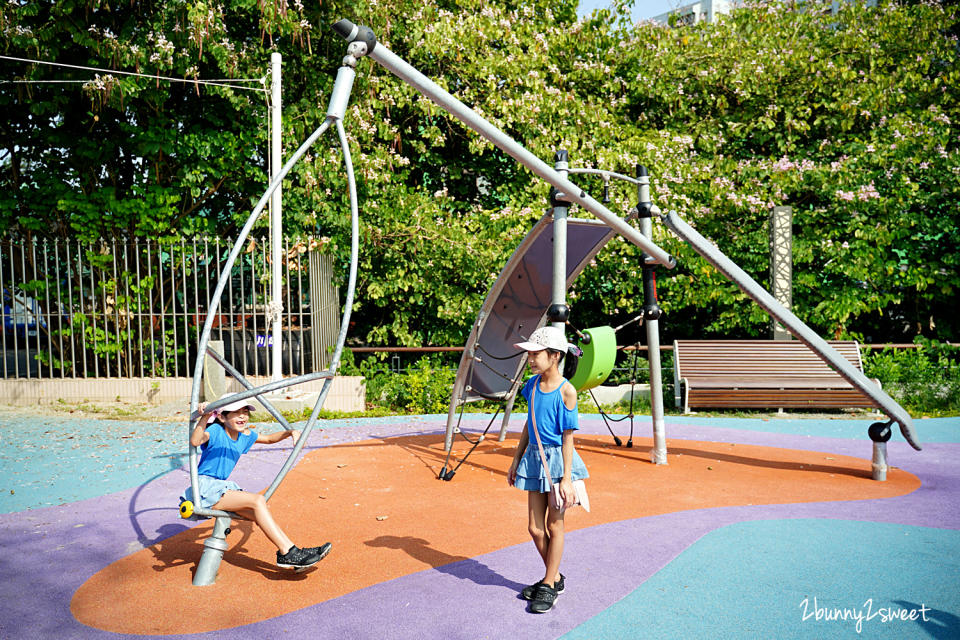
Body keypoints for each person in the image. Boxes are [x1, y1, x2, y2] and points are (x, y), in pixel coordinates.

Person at [179, 398, 332, 569]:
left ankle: (289, 551)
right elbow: (195, 441)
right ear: (222, 417)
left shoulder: (245, 436)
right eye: (236, 413)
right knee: (257, 501)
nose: (242, 416)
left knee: (259, 513)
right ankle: (289, 553)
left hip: (219, 488)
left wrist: (291, 432)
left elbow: (268, 439)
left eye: (245, 412)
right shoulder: (215, 430)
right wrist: (205, 417)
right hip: (204, 488)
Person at [507, 326, 589, 613]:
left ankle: (548, 584)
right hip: (533, 461)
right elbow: (529, 424)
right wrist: (516, 459)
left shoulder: (567, 391)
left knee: (555, 525)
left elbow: (568, 437)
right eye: (529, 354)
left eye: (535, 354)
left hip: (557, 465)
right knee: (534, 527)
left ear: (554, 356)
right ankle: (554, 577)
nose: (530, 359)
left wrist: (566, 478)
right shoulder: (531, 386)